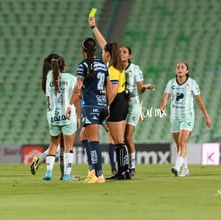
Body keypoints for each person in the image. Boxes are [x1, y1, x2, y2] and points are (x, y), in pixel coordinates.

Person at [89, 16, 129, 180]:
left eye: (104, 52)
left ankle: (122, 171)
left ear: (108, 54)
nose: (102, 53)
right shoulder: (116, 65)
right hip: (123, 100)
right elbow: (103, 43)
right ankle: (124, 170)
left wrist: (107, 107)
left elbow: (111, 91)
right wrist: (94, 27)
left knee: (118, 139)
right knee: (120, 139)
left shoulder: (112, 69)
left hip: (116, 101)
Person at [66, 37, 111, 184]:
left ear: (83, 50)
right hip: (102, 104)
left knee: (93, 139)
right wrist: (108, 106)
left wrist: (69, 105)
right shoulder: (103, 66)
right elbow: (109, 87)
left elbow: (78, 87)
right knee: (84, 136)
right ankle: (92, 170)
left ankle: (98, 174)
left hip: (90, 105)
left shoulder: (83, 65)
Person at [160, 61, 212, 177]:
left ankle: (177, 167)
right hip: (174, 116)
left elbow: (199, 100)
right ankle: (185, 169)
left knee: (182, 142)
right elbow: (166, 96)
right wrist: (163, 105)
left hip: (187, 116)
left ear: (187, 71)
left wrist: (206, 116)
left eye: (182, 67)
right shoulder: (171, 83)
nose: (179, 69)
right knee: (179, 145)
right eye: (177, 67)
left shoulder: (192, 83)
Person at [42, 54, 79, 181]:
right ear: (64, 66)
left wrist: (50, 112)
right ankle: (67, 175)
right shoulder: (72, 78)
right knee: (68, 147)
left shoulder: (49, 80)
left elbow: (47, 99)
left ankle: (48, 173)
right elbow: (77, 95)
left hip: (53, 115)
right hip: (68, 115)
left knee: (53, 144)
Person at [120, 46, 155, 177]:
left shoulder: (135, 69)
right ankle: (121, 166)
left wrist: (144, 87)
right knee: (119, 139)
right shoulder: (114, 69)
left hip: (133, 105)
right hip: (119, 105)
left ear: (130, 56)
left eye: (124, 52)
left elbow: (140, 89)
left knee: (127, 137)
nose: (121, 54)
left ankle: (132, 167)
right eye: (119, 52)